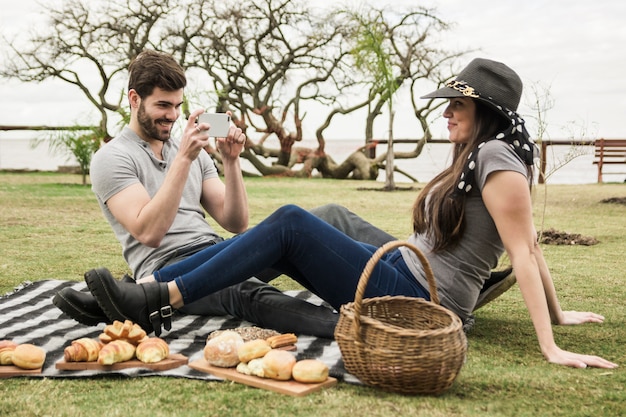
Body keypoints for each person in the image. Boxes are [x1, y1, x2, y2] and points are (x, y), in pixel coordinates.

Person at [83, 57, 618, 369]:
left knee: (290, 224)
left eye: (457, 104)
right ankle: (145, 291)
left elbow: (525, 247)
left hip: (423, 297)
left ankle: (158, 295)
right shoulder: (480, 152)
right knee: (331, 214)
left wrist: (552, 342)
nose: (446, 111)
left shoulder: (495, 156)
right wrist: (561, 312)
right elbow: (530, 244)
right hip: (416, 274)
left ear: (485, 111)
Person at [52, 49, 339, 338]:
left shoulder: (190, 149)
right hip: (167, 268)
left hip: (215, 249)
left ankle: (382, 289)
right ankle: (350, 329)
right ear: (134, 99)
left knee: (327, 218)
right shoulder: (112, 158)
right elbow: (150, 233)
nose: (173, 116)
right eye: (163, 105)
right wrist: (184, 159)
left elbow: (235, 222)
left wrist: (231, 160)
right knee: (243, 290)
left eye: (177, 105)